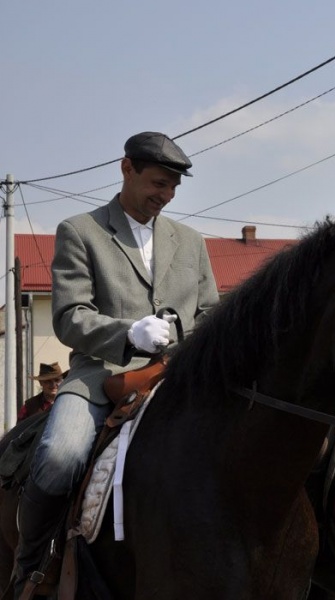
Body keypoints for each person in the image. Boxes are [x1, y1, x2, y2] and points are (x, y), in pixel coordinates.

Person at [12, 132, 220, 598]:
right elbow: (68, 317)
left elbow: (209, 314)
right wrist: (127, 332)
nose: (165, 196)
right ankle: (31, 566)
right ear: (126, 169)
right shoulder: (80, 230)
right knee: (61, 456)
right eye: (157, 183)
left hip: (181, 375)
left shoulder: (190, 241)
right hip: (99, 375)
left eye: (172, 188)